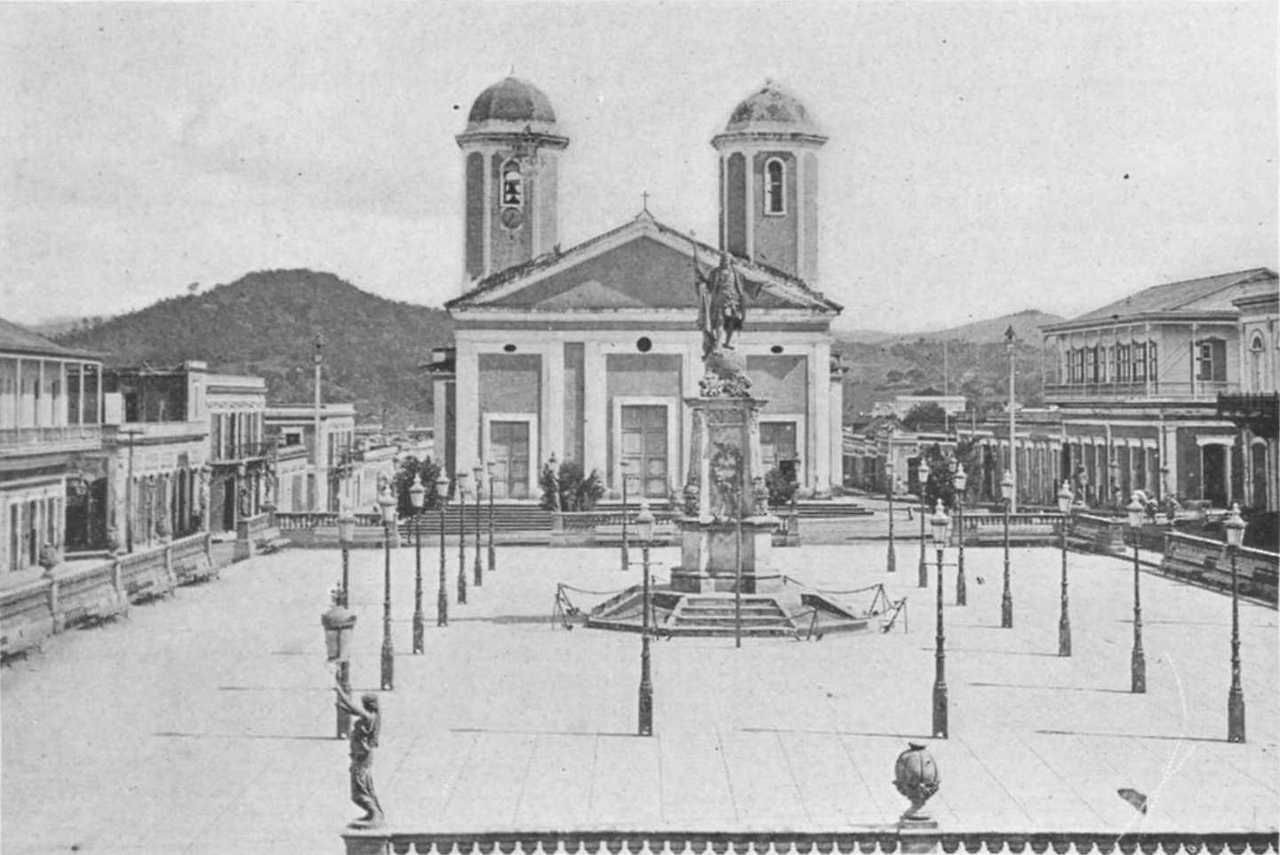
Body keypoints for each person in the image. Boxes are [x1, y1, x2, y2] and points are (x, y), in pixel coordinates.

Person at [334, 680, 384, 828]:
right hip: (361, 756)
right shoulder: (371, 716)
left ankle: (374, 813)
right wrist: (343, 707)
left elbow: (352, 707)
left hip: (361, 757)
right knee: (364, 785)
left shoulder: (369, 717)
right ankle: (372, 812)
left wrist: (340, 691)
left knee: (358, 791)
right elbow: (354, 711)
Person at [694, 250, 746, 358]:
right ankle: (718, 344)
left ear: (730, 261)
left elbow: (739, 287)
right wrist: (701, 278)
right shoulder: (715, 272)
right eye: (723, 259)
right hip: (719, 300)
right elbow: (710, 285)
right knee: (719, 323)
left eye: (726, 259)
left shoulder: (735, 273)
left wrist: (741, 302)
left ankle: (727, 342)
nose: (724, 261)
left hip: (731, 301)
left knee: (731, 322)